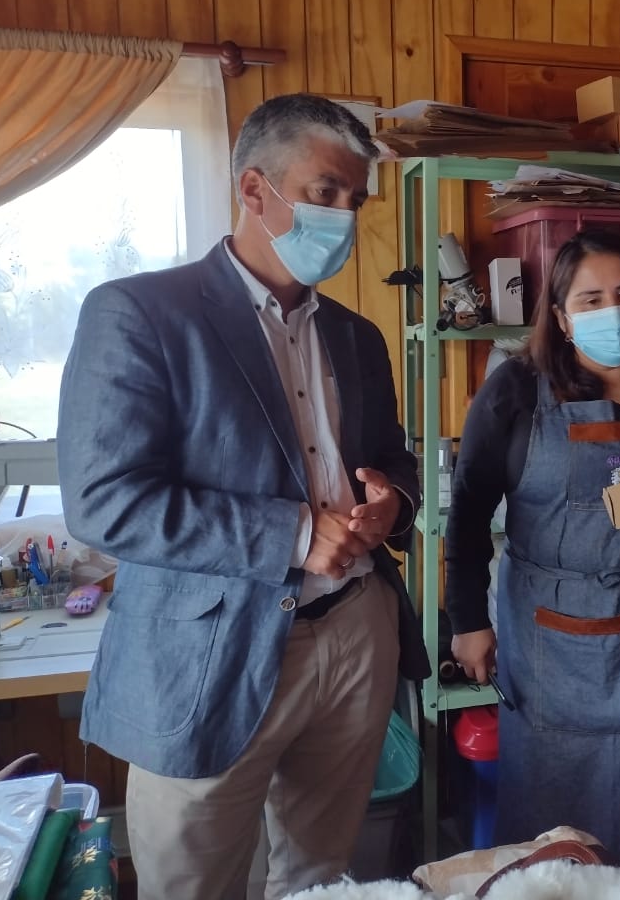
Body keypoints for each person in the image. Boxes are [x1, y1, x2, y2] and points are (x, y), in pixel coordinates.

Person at [58, 93, 429, 900]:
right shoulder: (141, 314)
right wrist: (294, 534)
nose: (343, 217)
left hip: (356, 631)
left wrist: (392, 500)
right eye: (325, 192)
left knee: (321, 876)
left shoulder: (358, 336)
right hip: (208, 651)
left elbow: (392, 456)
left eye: (356, 200)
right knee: (195, 881)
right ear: (254, 190)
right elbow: (103, 499)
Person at [445, 231, 620, 895]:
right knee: (549, 833)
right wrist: (467, 621)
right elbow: (467, 511)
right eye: (592, 299)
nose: (613, 311)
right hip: (549, 638)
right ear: (562, 315)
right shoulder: (515, 391)